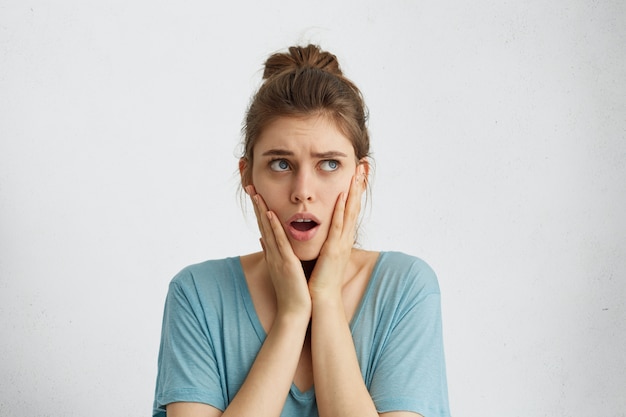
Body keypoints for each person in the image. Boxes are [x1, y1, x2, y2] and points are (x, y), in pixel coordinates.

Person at [152, 44, 451, 417]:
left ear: (360, 176)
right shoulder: (197, 295)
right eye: (280, 164)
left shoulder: (406, 288)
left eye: (328, 164)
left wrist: (324, 297)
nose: (302, 191)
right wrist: (293, 315)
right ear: (248, 175)